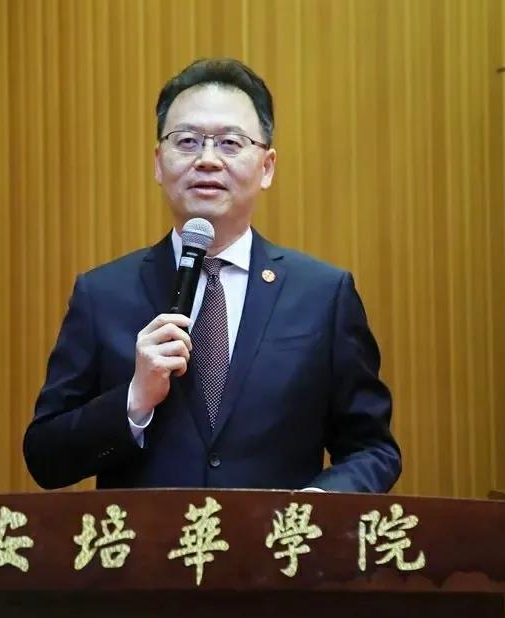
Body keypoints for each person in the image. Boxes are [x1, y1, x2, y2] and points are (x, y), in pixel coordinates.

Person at [23, 58, 401, 493]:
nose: (206, 160)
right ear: (158, 163)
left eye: (229, 143)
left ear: (267, 167)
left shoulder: (323, 295)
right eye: (186, 141)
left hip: (277, 537)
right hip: (148, 539)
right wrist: (133, 400)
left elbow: (373, 448)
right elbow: (45, 457)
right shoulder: (102, 295)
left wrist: (315, 508)